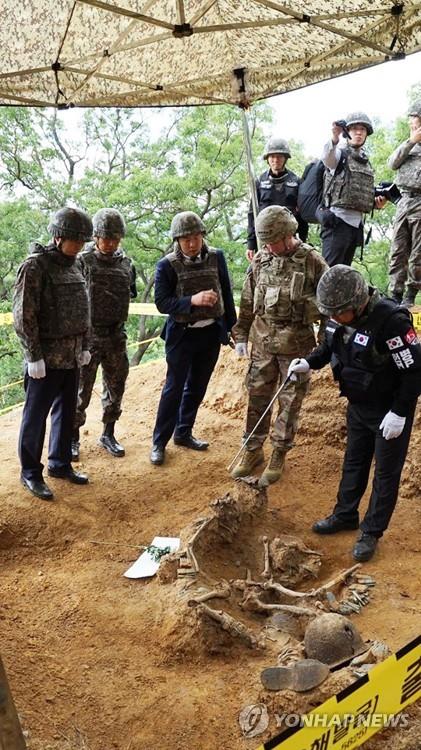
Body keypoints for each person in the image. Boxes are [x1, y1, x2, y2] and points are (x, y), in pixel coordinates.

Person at [288, 265, 421, 562]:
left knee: (386, 473)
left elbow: (414, 371)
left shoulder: (391, 322)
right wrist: (308, 363)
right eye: (330, 313)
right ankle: (345, 514)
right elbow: (329, 346)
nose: (333, 318)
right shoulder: (336, 315)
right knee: (353, 462)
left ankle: (371, 531)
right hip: (358, 404)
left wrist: (399, 412)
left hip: (389, 409)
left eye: (339, 313)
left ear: (358, 303)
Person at [232, 205, 328, 487]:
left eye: (273, 241)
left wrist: (324, 347)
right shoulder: (261, 260)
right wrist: (241, 336)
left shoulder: (312, 261)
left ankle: (278, 452)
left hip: (296, 347)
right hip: (262, 343)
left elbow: (330, 308)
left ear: (289, 235)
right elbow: (248, 301)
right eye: (266, 242)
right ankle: (252, 450)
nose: (270, 247)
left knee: (289, 404)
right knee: (257, 398)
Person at [13, 207, 93, 501]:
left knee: (66, 411)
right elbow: (24, 316)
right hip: (44, 361)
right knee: (35, 418)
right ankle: (30, 472)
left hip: (71, 357)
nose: (80, 246)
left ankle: (59, 464)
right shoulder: (35, 267)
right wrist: (33, 356)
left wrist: (85, 346)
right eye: (76, 240)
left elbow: (85, 310)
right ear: (59, 237)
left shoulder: (78, 265)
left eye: (83, 241)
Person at [150, 211, 237, 466]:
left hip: (210, 332)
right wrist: (192, 301)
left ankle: (184, 431)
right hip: (182, 335)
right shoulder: (166, 265)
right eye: (185, 239)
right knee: (174, 388)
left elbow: (226, 293)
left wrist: (232, 326)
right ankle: (159, 442)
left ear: (202, 236)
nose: (191, 243)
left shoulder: (216, 257)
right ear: (177, 240)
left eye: (195, 237)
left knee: (197, 387)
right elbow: (161, 303)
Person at [72, 208, 137, 460]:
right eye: (105, 238)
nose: (110, 243)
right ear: (95, 237)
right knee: (81, 390)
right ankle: (72, 438)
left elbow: (129, 294)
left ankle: (108, 433)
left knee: (116, 387)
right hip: (89, 337)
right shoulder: (82, 262)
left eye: (115, 239)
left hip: (116, 336)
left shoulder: (126, 263)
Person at [320, 112, 386, 267]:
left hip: (356, 226)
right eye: (354, 128)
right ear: (346, 132)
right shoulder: (339, 154)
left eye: (362, 129)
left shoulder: (365, 161)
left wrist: (375, 203)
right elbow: (326, 157)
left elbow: (360, 192)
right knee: (329, 273)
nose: (359, 132)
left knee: (345, 275)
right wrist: (334, 137)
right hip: (337, 222)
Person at [246, 137, 308, 261]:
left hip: (289, 239)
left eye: (279, 156)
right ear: (267, 159)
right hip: (265, 240)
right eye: (272, 157)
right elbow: (252, 214)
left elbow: (302, 213)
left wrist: (303, 239)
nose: (275, 160)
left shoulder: (296, 182)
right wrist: (251, 244)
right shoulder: (259, 182)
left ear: (285, 158)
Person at [387, 99, 421, 307]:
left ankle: (410, 293)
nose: (412, 123)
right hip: (404, 200)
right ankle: (394, 294)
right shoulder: (407, 145)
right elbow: (392, 163)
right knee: (398, 249)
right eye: (411, 119)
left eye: (415, 118)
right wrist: (411, 142)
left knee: (419, 252)